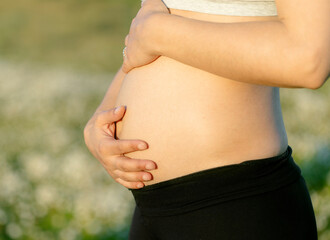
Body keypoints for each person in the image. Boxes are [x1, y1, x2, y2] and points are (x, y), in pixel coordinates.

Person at [83, 0, 329, 239]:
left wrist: (157, 31)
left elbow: (309, 58)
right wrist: (103, 114)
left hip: (234, 203)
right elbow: (153, 29)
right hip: (151, 207)